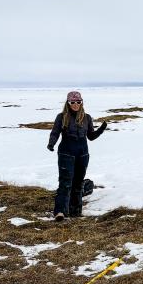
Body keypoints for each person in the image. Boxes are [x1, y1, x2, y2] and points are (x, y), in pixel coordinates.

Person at [47, 91, 107, 220]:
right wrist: (51, 143)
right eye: (72, 102)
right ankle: (60, 212)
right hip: (66, 154)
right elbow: (55, 132)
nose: (75, 104)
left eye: (78, 102)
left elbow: (90, 137)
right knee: (65, 183)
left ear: (82, 103)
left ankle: (75, 212)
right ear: (68, 103)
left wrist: (101, 130)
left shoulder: (87, 118)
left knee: (78, 183)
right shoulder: (61, 117)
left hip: (82, 155)